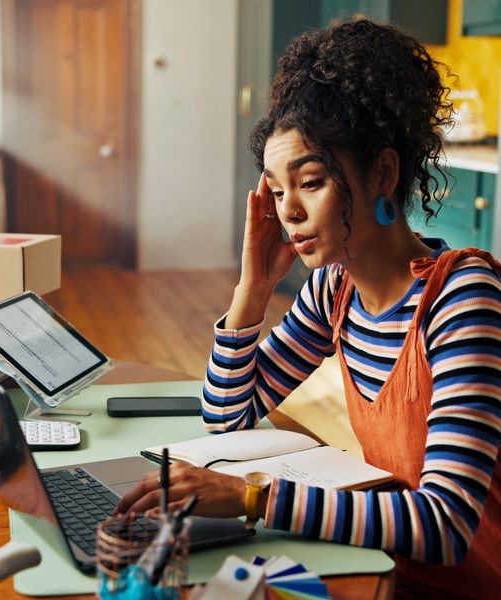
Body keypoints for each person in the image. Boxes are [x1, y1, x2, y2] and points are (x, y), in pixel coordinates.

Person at [116, 18, 501, 599]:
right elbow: (230, 419)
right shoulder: (335, 289)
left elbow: (444, 526)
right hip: (377, 561)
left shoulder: (461, 298)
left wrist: (252, 496)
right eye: (275, 189)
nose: (288, 210)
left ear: (383, 173)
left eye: (311, 181)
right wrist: (252, 290)